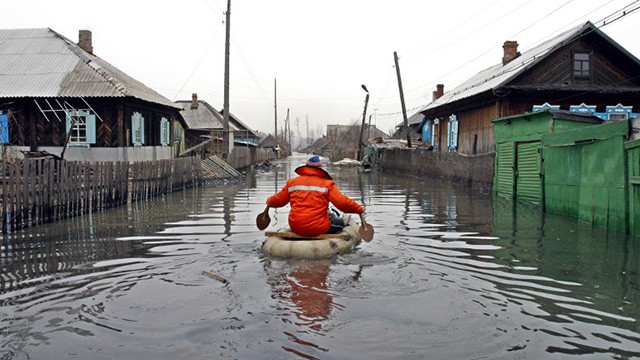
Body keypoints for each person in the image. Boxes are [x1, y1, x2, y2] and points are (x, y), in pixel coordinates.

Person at [265, 155, 364, 237]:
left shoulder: (292, 183)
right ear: (320, 168)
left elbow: (277, 200)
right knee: (340, 223)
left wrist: (269, 201)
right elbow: (342, 203)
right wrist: (359, 209)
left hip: (296, 227)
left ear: (305, 167)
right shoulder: (327, 184)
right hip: (319, 228)